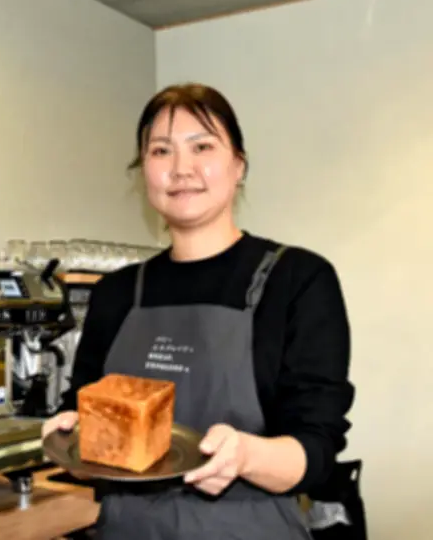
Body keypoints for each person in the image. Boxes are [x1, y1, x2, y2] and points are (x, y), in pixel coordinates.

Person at [43, 83, 355, 539]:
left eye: (202, 146)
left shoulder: (298, 280)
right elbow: (87, 435)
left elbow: (317, 450)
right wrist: (69, 437)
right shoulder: (116, 292)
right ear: (143, 171)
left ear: (238, 165)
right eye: (161, 151)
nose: (181, 169)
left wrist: (244, 456)